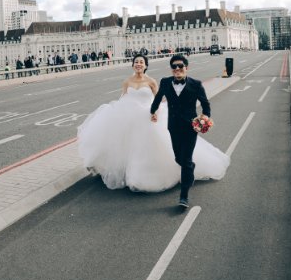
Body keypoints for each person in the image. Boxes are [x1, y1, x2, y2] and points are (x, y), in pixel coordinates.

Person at [77, 55, 228, 204]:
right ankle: (183, 168)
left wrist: (204, 118)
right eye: (136, 62)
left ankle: (184, 196)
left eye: (141, 62)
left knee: (176, 157)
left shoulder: (155, 82)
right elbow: (128, 98)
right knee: (168, 156)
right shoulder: (131, 81)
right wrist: (145, 110)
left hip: (169, 123)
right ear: (132, 65)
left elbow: (158, 98)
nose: (138, 64)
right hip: (136, 120)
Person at [151, 54, 229, 209]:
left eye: (180, 66)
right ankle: (190, 167)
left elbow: (205, 104)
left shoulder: (196, 84)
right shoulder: (165, 82)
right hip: (173, 126)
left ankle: (184, 196)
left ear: (187, 67)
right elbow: (158, 98)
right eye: (174, 66)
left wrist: (205, 117)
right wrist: (153, 111)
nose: (177, 69)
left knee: (185, 160)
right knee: (178, 158)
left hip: (190, 127)